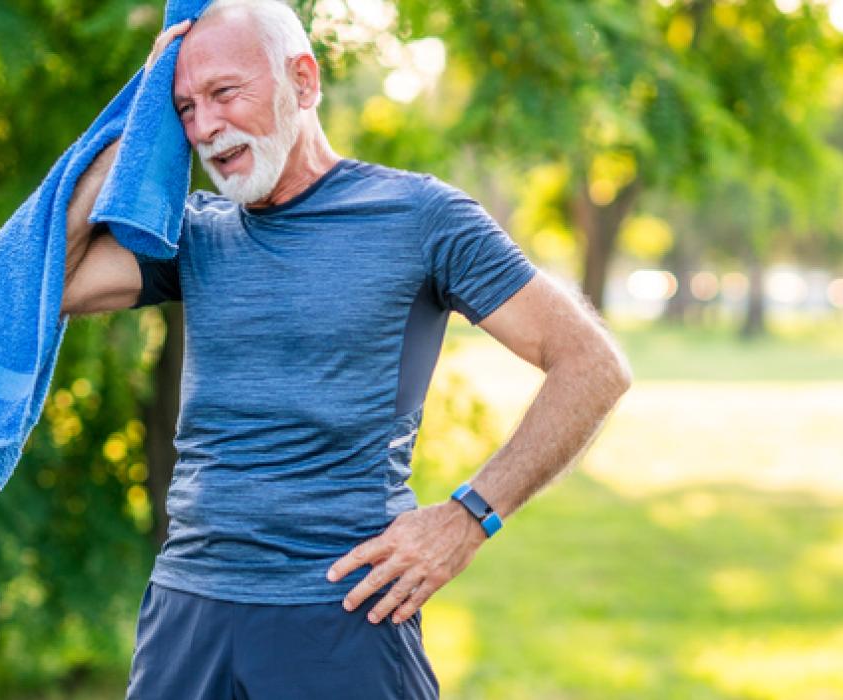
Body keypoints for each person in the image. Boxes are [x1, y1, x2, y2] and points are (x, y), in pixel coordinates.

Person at [59, 1, 633, 697]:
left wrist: (468, 518)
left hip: (343, 613)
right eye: (185, 107)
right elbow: (53, 281)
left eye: (224, 94)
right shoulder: (195, 233)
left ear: (303, 80)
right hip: (187, 612)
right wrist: (141, 117)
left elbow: (592, 366)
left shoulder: (420, 218)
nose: (205, 127)